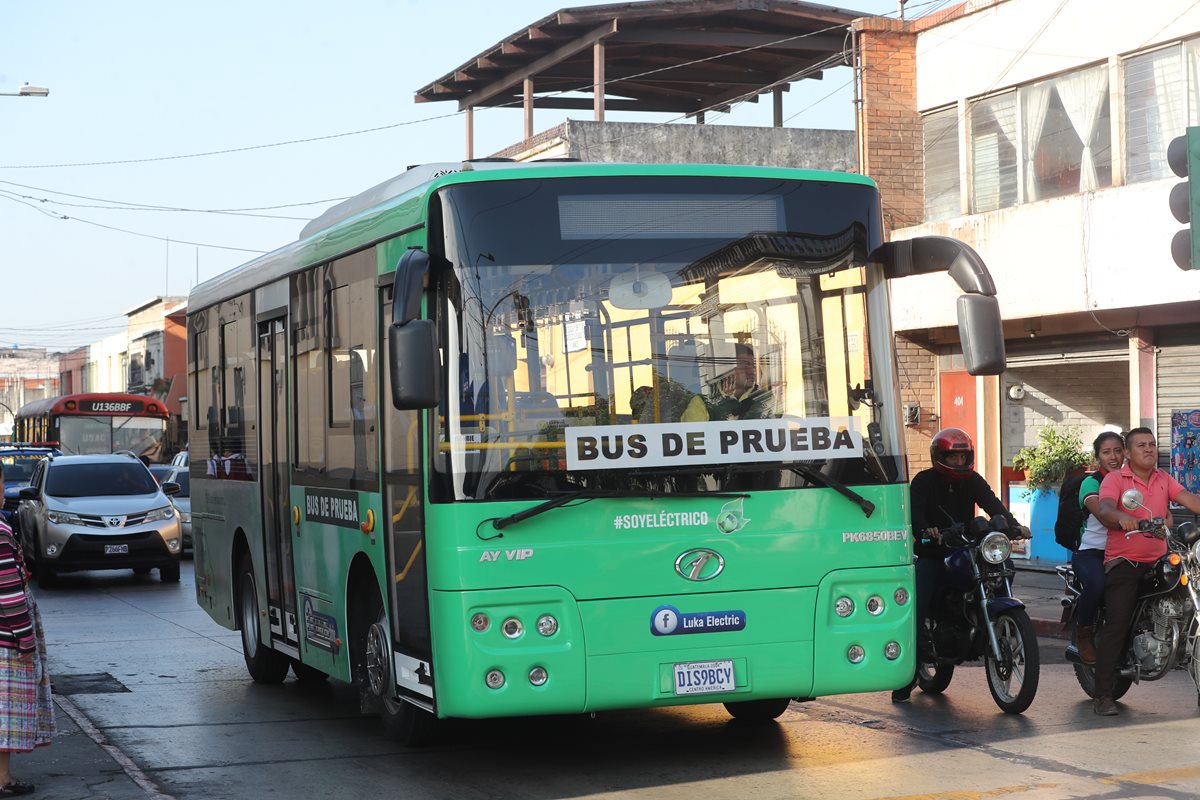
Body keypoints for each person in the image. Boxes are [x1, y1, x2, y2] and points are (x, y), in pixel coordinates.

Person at [892, 427, 1027, 703]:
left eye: (963, 457)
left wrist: (1013, 525)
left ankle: (992, 627)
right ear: (938, 456)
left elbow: (992, 503)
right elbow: (915, 513)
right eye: (952, 458)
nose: (959, 463)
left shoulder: (973, 480)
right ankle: (906, 674)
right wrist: (926, 531)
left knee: (1003, 566)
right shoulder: (923, 481)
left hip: (967, 547)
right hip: (934, 551)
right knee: (918, 603)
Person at [1091, 427, 1200, 716]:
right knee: (1118, 621)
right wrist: (1123, 517)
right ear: (1127, 452)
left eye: (1152, 444)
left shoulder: (1163, 478)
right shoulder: (1116, 479)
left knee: (1189, 602)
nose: (1149, 449)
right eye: (1141, 445)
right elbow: (1104, 508)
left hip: (1160, 559)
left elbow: (1189, 498)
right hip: (1125, 562)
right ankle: (1103, 695)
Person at [0, 464, 54, 795]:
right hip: (6, 640)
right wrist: (25, 638)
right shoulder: (0, 533)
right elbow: (8, 592)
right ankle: (3, 778)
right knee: (4, 713)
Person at [1071, 431, 1126, 665]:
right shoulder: (1091, 483)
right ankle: (1083, 632)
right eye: (1106, 452)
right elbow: (1105, 517)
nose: (1113, 457)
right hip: (1093, 552)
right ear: (1098, 457)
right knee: (1097, 583)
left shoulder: (1132, 479)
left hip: (1127, 551)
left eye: (1117, 450)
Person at [681, 343, 775, 422]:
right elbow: (693, 440)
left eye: (753, 365)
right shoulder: (702, 402)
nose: (751, 371)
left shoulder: (764, 397)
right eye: (743, 365)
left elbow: (778, 431)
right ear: (725, 368)